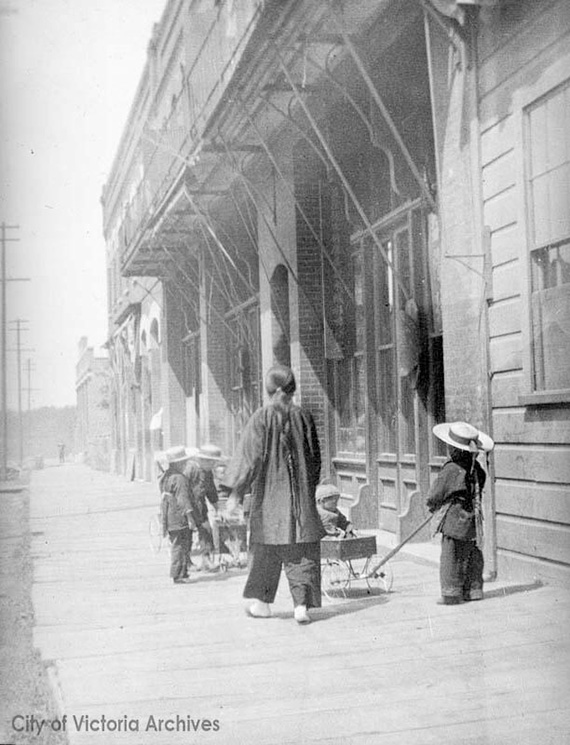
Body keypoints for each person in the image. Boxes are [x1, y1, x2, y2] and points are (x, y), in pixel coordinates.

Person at [222, 364, 324, 624]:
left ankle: (263, 604)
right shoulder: (305, 417)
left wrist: (236, 493)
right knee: (300, 551)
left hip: (268, 501)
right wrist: (306, 489)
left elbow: (249, 459)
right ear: (293, 390)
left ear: (268, 391)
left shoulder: (260, 418)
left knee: (266, 552)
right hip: (299, 500)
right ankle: (301, 606)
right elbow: (315, 460)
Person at [426, 421, 494, 605]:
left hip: (454, 519)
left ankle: (452, 594)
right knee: (472, 554)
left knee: (452, 555)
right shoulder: (477, 469)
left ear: (454, 449)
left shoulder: (451, 469)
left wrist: (432, 505)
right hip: (472, 518)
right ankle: (473, 591)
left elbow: (435, 494)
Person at [184, 444, 224, 571]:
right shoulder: (190, 469)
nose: (214, 465)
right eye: (212, 462)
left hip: (200, 506)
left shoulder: (208, 472)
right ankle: (186, 562)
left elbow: (211, 492)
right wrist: (187, 511)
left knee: (206, 530)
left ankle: (206, 559)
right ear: (203, 460)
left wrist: (218, 509)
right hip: (187, 506)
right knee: (186, 534)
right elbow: (182, 491)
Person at [159, 445, 195, 584]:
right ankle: (177, 575)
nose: (185, 465)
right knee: (180, 546)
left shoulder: (166, 476)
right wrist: (190, 517)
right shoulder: (180, 478)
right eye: (184, 462)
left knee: (179, 544)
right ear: (179, 463)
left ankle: (182, 572)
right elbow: (183, 499)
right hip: (179, 517)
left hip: (169, 515)